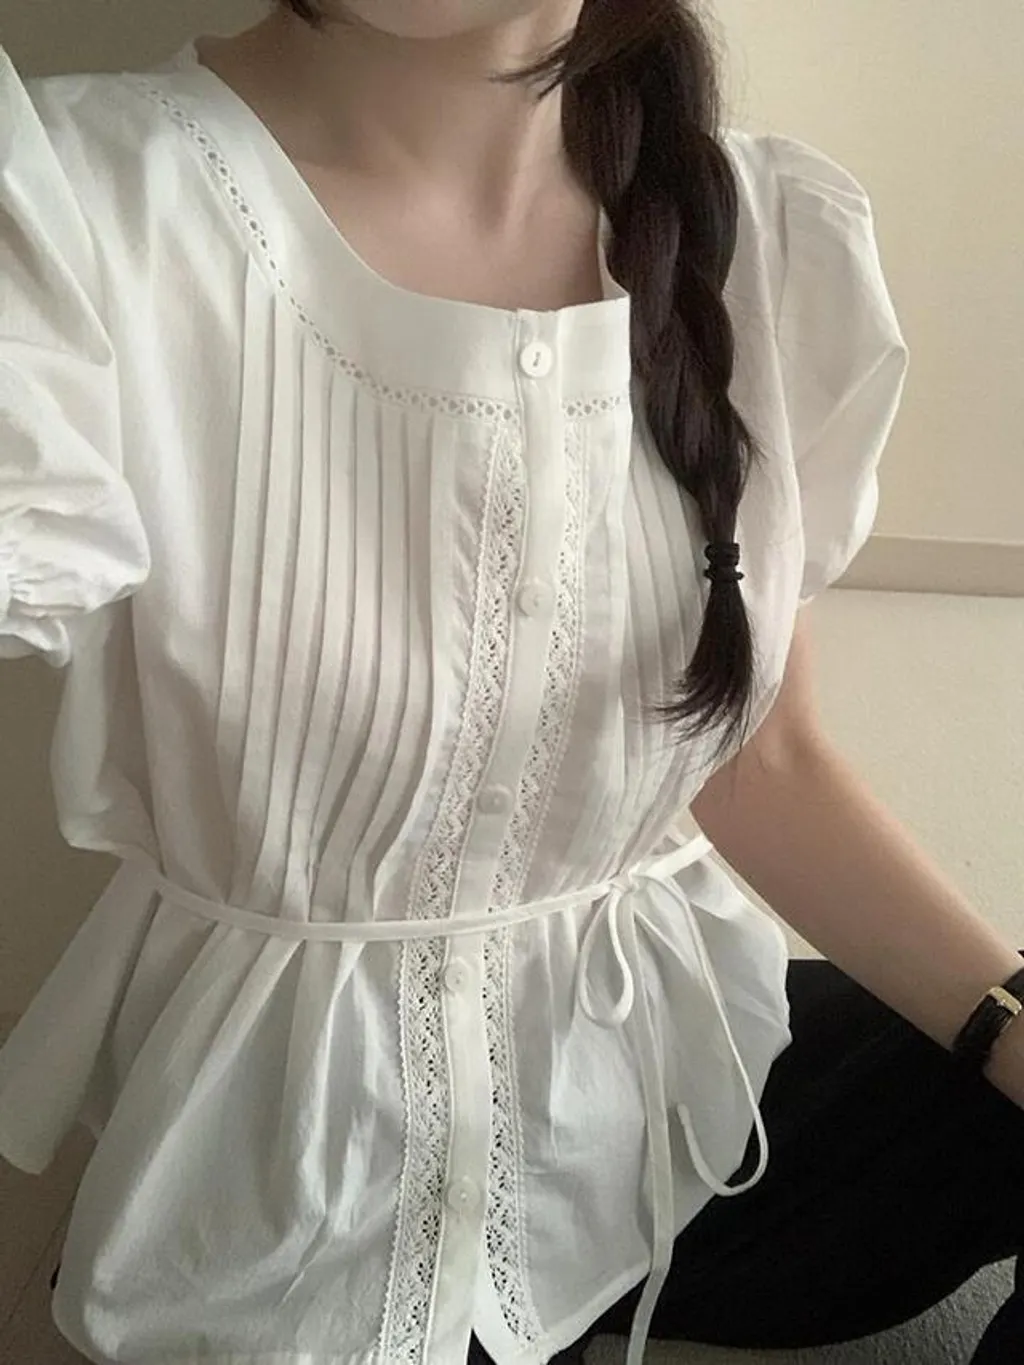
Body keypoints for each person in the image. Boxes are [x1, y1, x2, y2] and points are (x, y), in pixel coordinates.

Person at [1, 2, 1023, 1363]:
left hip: (684, 1105)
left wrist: (1009, 1026)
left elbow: (761, 760)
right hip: (304, 1210)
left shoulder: (759, 234)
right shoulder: (70, 212)